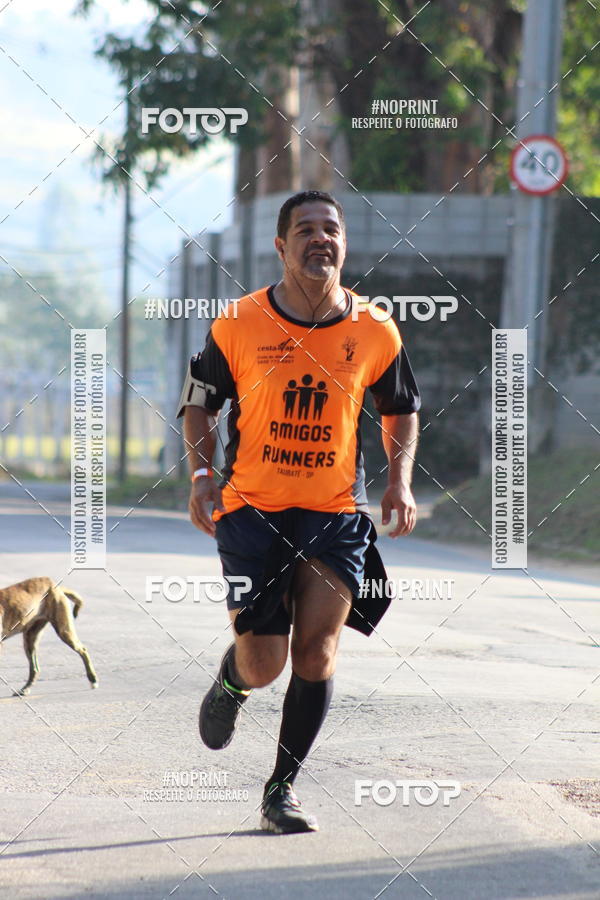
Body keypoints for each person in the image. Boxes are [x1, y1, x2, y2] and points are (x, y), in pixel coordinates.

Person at [177, 190, 420, 834]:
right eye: (305, 229)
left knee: (316, 652)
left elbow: (399, 408)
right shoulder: (238, 324)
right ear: (281, 246)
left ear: (344, 244)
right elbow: (198, 403)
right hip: (252, 511)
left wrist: (399, 479)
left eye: (331, 229)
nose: (321, 238)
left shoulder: (375, 328)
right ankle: (232, 681)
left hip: (334, 512)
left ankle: (279, 792)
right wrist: (203, 473)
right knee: (266, 664)